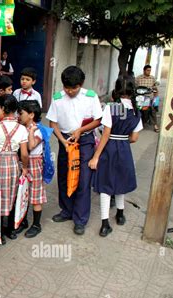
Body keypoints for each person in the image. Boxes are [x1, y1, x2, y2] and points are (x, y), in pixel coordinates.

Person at [46, 66, 103, 235]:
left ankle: (80, 219)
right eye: (67, 88)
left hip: (84, 141)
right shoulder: (57, 98)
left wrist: (80, 130)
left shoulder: (91, 97)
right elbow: (53, 123)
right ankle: (67, 211)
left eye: (74, 88)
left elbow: (98, 120)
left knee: (83, 180)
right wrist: (62, 140)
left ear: (81, 84)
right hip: (65, 141)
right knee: (64, 176)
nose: (70, 92)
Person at [89, 75, 143, 237]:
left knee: (106, 184)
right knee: (120, 181)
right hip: (124, 150)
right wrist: (122, 141)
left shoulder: (111, 108)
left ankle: (105, 224)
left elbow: (105, 134)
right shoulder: (135, 110)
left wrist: (96, 156)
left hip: (109, 149)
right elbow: (134, 138)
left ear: (116, 89)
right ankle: (120, 215)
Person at [0, 94, 29, 243]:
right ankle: (10, 230)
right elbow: (24, 154)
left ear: (4, 109)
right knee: (11, 195)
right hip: (13, 164)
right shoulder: (22, 129)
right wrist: (24, 168)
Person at [18, 100, 46, 238]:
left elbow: (31, 146)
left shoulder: (39, 130)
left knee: (35, 194)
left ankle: (36, 225)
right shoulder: (22, 127)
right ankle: (22, 221)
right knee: (24, 192)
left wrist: (31, 131)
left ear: (31, 115)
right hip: (25, 162)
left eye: (21, 113)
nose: (18, 115)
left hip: (35, 163)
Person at [135, 64, 159, 132]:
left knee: (153, 110)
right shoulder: (138, 78)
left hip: (150, 97)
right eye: (148, 70)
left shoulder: (152, 78)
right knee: (138, 110)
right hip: (141, 98)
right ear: (144, 70)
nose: (149, 72)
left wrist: (156, 97)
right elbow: (135, 87)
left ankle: (155, 125)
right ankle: (138, 124)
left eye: (150, 70)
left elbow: (155, 88)